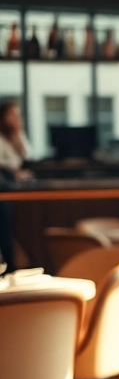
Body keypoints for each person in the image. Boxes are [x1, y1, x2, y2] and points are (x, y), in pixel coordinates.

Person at [0, 100, 32, 272]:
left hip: (9, 187)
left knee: (9, 231)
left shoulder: (13, 136)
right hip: (3, 188)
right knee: (5, 233)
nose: (16, 118)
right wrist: (14, 172)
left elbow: (27, 155)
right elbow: (7, 163)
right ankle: (9, 269)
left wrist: (19, 133)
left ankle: (11, 268)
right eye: (13, 114)